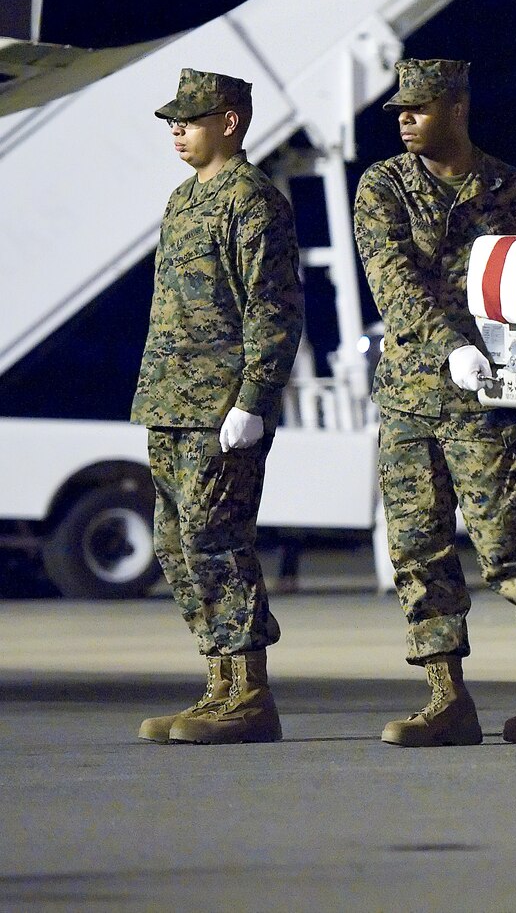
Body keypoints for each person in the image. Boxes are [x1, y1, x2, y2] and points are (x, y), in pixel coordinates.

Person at [353, 58, 516, 747]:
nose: (406, 119)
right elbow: (393, 279)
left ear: (458, 109)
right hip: (411, 396)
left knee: (508, 542)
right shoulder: (384, 185)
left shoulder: (515, 192)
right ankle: (446, 696)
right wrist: (448, 345)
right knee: (417, 547)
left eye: (420, 107)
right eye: (400, 110)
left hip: (490, 400)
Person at [133, 69, 303, 746]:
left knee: (218, 543)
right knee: (176, 547)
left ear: (229, 122)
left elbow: (274, 309)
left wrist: (254, 399)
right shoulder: (183, 199)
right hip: (171, 401)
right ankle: (219, 685)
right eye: (173, 120)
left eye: (191, 118)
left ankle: (250, 693)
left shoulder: (253, 201)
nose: (177, 129)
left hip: (221, 408)